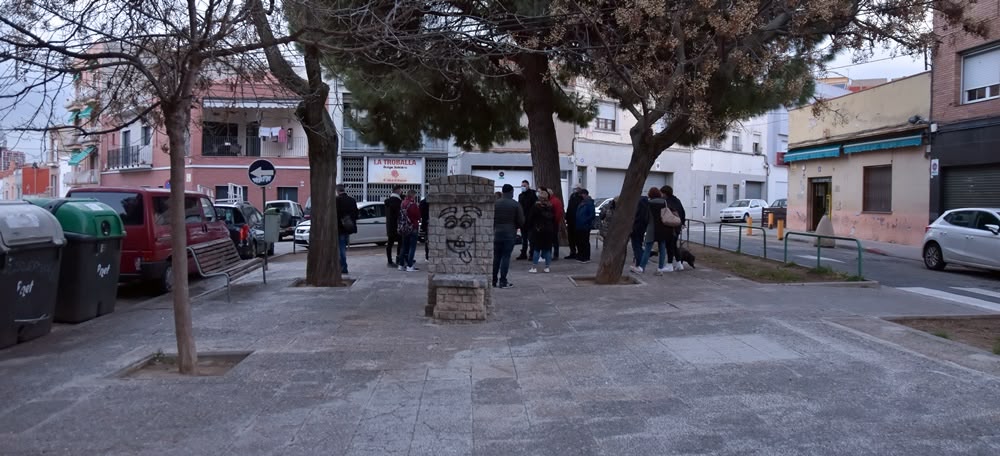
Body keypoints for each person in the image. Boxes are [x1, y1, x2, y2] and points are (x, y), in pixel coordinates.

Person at [493, 184, 524, 288]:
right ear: (511, 191)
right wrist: (516, 226)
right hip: (510, 233)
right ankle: (503, 281)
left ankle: (493, 280)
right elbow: (521, 221)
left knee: (496, 257)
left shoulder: (496, 204)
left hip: (497, 233)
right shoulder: (515, 204)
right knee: (505, 257)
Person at [637, 187, 672, 274]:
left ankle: (641, 267)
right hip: (662, 228)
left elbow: (646, 217)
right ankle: (660, 268)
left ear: (650, 194)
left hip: (651, 227)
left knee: (647, 248)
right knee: (662, 248)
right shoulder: (664, 202)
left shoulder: (649, 203)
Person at [526, 189, 556, 273]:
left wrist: (530, 227)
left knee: (537, 248)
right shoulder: (550, 206)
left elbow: (530, 218)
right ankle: (547, 267)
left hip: (538, 229)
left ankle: (534, 267)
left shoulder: (536, 206)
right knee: (547, 249)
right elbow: (553, 218)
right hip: (549, 229)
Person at [335, 184, 359, 275]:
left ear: (337, 191)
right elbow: (356, 214)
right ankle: (342, 266)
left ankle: (343, 266)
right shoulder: (352, 200)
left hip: (339, 227)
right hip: (349, 227)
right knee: (343, 246)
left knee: (341, 247)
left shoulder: (337, 200)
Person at [661, 185, 686, 271]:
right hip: (677, 225)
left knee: (669, 245)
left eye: (662, 193)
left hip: (670, 227)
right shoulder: (677, 200)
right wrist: (682, 222)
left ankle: (669, 264)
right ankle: (679, 263)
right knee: (674, 245)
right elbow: (682, 212)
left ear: (665, 193)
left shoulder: (666, 202)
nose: (661, 194)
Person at [397, 190, 422, 272]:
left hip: (404, 227)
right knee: (412, 247)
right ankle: (410, 265)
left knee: (403, 246)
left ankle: (401, 265)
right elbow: (418, 216)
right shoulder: (413, 205)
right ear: (413, 195)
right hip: (412, 227)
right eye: (415, 195)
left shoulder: (403, 203)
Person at [516, 180, 538, 260]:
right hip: (523, 220)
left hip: (531, 220)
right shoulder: (521, 195)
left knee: (531, 239)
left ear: (528, 185)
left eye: (524, 185)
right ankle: (523, 253)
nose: (523, 187)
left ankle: (532, 254)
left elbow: (535, 206)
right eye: (522, 186)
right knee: (524, 238)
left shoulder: (533, 194)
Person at [574, 189, 596, 263]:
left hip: (585, 225)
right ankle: (581, 255)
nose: (580, 196)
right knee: (580, 241)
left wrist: (585, 221)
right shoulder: (582, 202)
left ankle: (586, 256)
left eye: (581, 194)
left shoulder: (589, 203)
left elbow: (592, 214)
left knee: (585, 241)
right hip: (579, 225)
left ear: (585, 194)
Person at [384, 186, 403, 267]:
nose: (401, 192)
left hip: (390, 225)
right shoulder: (398, 202)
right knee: (400, 243)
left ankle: (389, 261)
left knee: (390, 244)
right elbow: (399, 214)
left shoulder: (388, 201)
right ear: (398, 190)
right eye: (400, 190)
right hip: (397, 225)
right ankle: (399, 259)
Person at [630, 194, 650, 271]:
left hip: (635, 228)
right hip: (642, 228)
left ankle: (639, 265)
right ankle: (640, 264)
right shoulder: (646, 207)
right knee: (639, 245)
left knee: (636, 246)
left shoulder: (637, 209)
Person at [564, 186, 583, 259]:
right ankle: (572, 252)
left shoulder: (581, 198)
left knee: (577, 238)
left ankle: (579, 252)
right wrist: (567, 217)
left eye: (577, 188)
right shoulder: (572, 196)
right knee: (571, 238)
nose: (575, 190)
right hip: (570, 220)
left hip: (577, 221)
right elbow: (569, 208)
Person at [546, 187, 564, 261]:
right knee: (552, 239)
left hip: (553, 223)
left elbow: (558, 213)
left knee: (553, 239)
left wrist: (555, 221)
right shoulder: (552, 200)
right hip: (551, 223)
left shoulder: (554, 201)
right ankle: (551, 254)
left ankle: (555, 254)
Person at [419, 195, 430, 261]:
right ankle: (427, 255)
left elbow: (420, 213)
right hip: (428, 223)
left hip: (425, 223)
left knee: (427, 240)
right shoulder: (427, 203)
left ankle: (427, 256)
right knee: (428, 240)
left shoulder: (422, 203)